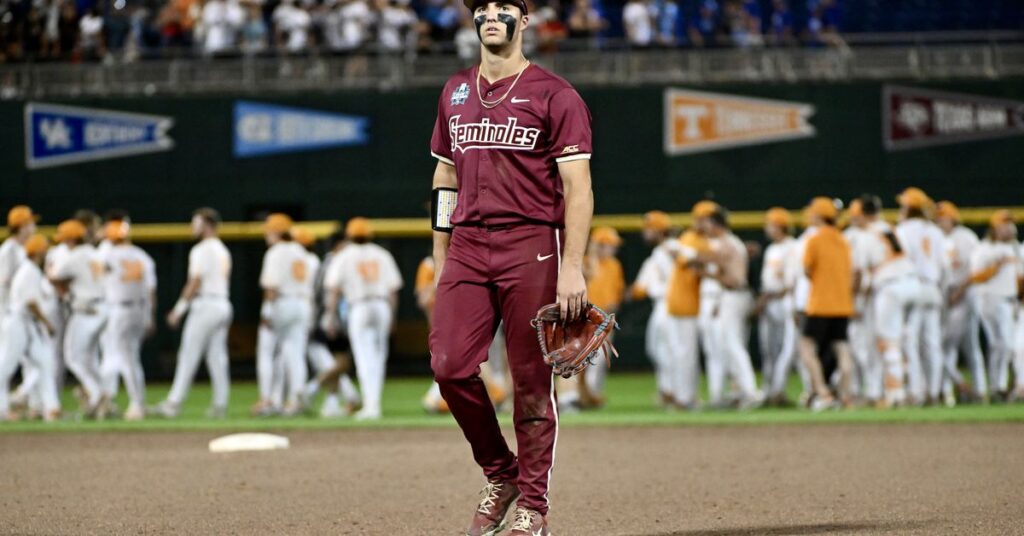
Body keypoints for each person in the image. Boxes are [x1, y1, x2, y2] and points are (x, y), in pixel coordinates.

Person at [427, 0, 594, 531]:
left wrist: (573, 266)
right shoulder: (454, 91)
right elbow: (445, 180)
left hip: (531, 245)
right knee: (449, 366)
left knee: (530, 382)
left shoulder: (555, 94)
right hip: (469, 245)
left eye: (506, 7)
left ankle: (533, 505)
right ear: (473, 21)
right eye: (482, 7)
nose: (492, 14)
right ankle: (502, 472)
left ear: (525, 21)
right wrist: (439, 254)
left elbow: (578, 189)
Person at [154, 208, 233, 418]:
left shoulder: (202, 249)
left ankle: (173, 403)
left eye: (195, 223)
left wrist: (178, 310)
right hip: (223, 303)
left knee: (189, 354)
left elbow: (195, 281)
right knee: (217, 357)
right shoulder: (223, 249)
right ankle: (220, 405)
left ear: (207, 225)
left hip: (206, 304)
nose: (192, 227)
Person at [323, 217, 402, 420]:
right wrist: (392, 316)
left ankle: (371, 407)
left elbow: (333, 289)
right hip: (381, 305)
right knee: (378, 358)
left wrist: (330, 317)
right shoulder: (381, 254)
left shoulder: (344, 255)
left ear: (350, 235)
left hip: (359, 306)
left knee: (364, 358)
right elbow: (393, 290)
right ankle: (373, 404)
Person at [695, 202, 761, 409]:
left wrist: (692, 258)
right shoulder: (731, 242)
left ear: (717, 225)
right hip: (732, 295)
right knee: (729, 345)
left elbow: (711, 260)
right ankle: (741, 391)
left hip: (735, 295)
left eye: (708, 223)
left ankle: (750, 391)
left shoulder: (726, 242)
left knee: (733, 345)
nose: (705, 228)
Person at [955, 210, 1021, 402]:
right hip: (990, 299)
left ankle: (998, 387)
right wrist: (995, 267)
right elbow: (975, 276)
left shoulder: (1015, 249)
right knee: (1002, 344)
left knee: (1004, 346)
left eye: (1010, 224)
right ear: (994, 227)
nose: (1009, 227)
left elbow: (1018, 277)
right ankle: (997, 385)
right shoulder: (984, 249)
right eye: (1004, 224)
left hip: (1010, 301)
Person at [798, 197, 855, 410]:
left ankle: (823, 391)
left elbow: (807, 270)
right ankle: (846, 394)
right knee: (841, 347)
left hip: (820, 303)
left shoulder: (814, 239)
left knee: (806, 348)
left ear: (819, 216)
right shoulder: (843, 240)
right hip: (843, 304)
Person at [50, 219, 108, 417]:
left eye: (66, 240)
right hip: (102, 308)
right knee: (89, 359)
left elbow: (54, 276)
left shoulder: (75, 256)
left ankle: (95, 392)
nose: (64, 243)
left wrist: (54, 275)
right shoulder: (94, 252)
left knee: (72, 357)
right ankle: (102, 394)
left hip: (85, 310)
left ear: (72, 239)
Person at [894, 187, 946, 405]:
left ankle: (916, 392)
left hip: (912, 287)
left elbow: (901, 262)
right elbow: (944, 268)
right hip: (933, 288)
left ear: (909, 208)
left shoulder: (903, 229)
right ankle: (934, 392)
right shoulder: (935, 231)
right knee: (933, 344)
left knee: (910, 341)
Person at [0, 235, 60, 422]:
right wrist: (47, 324)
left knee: (45, 362)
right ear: (37, 252)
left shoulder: (32, 270)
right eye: (44, 250)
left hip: (27, 324)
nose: (46, 253)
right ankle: (2, 409)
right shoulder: (29, 271)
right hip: (17, 322)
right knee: (5, 368)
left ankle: (51, 408)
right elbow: (31, 303)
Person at [101, 220, 156, 420]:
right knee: (127, 357)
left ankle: (135, 403)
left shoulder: (107, 255)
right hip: (140, 309)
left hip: (120, 310)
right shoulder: (143, 256)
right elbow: (151, 290)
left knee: (124, 359)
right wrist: (150, 316)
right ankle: (107, 397)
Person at [934, 201, 987, 403]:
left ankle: (978, 391)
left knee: (968, 346)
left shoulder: (965, 237)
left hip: (966, 295)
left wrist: (960, 291)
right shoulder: (940, 238)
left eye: (943, 218)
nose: (939, 221)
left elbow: (974, 270)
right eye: (937, 218)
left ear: (953, 218)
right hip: (949, 295)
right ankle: (949, 392)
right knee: (949, 346)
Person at [630, 210, 676, 405]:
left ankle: (673, 391)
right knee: (656, 349)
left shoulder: (673, 247)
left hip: (671, 305)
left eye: (649, 229)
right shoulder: (658, 252)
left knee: (667, 350)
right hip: (661, 305)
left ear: (659, 231)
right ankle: (667, 390)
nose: (645, 233)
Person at [577, 226, 624, 407]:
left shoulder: (615, 265)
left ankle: (592, 395)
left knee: (601, 359)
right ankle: (581, 396)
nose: (613, 249)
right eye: (610, 245)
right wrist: (593, 250)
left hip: (606, 317)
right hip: (586, 318)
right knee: (582, 358)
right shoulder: (586, 263)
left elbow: (618, 291)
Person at [756, 207, 798, 405]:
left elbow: (790, 283)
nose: (767, 228)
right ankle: (768, 390)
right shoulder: (771, 249)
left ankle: (778, 391)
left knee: (787, 350)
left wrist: (767, 299)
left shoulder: (793, 247)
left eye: (770, 224)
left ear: (780, 226)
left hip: (785, 301)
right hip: (770, 302)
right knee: (769, 350)